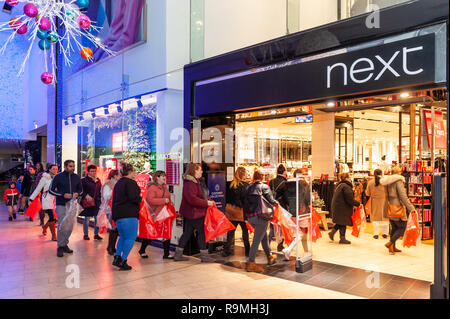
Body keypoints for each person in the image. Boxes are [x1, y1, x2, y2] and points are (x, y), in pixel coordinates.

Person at [173, 163, 215, 262]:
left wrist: (208, 201)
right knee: (201, 233)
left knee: (187, 233)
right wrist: (206, 203)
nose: (202, 171)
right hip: (194, 213)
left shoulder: (198, 182)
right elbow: (192, 199)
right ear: (194, 171)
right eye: (200, 170)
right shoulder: (190, 183)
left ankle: (178, 254)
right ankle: (204, 256)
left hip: (194, 212)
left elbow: (202, 195)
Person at [244, 170, 279, 273]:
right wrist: (278, 204)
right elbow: (272, 201)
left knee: (263, 236)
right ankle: (251, 263)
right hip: (261, 217)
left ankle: (269, 257)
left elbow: (244, 202)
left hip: (250, 217)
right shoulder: (264, 187)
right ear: (262, 177)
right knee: (256, 240)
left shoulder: (248, 187)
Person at [49, 160, 83, 258]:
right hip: (61, 204)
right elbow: (51, 190)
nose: (73, 168)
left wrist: (77, 193)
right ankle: (60, 246)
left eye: (73, 166)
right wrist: (62, 195)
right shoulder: (58, 177)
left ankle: (65, 244)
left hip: (72, 204)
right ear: (65, 167)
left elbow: (81, 190)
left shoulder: (77, 177)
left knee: (70, 225)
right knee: (62, 224)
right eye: (70, 166)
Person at [111, 162, 141, 270]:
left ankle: (117, 257)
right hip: (129, 215)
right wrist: (140, 198)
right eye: (134, 171)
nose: (135, 174)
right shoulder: (130, 183)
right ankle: (123, 260)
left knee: (123, 236)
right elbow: (134, 198)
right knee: (130, 238)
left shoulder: (119, 183)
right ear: (131, 171)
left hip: (118, 215)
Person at [138, 170, 174, 259]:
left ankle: (166, 253)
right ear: (157, 178)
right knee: (151, 233)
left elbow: (168, 197)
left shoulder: (165, 187)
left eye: (165, 176)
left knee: (166, 232)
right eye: (162, 176)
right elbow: (150, 200)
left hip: (164, 214)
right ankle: (142, 250)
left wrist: (170, 202)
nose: (164, 178)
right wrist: (163, 201)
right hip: (155, 214)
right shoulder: (152, 188)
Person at [380, 166, 416, 255]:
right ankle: (390, 243)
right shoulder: (398, 181)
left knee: (394, 227)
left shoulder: (387, 181)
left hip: (389, 206)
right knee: (403, 227)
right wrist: (411, 208)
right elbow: (403, 196)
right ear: (398, 173)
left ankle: (392, 247)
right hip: (398, 207)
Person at [282, 170, 311, 260]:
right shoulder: (304, 184)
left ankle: (294, 250)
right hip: (303, 210)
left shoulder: (288, 184)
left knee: (295, 232)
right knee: (303, 232)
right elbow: (307, 198)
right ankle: (290, 250)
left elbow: (285, 197)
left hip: (292, 210)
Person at [222, 167, 250, 257]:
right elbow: (246, 200)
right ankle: (248, 251)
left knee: (231, 232)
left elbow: (227, 198)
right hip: (241, 212)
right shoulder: (245, 186)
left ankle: (226, 250)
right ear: (243, 175)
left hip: (231, 212)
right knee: (245, 232)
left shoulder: (230, 184)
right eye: (245, 173)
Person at [328, 173, 360, 244]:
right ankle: (342, 238)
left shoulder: (340, 185)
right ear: (346, 178)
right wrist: (358, 204)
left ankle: (333, 233)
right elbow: (349, 199)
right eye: (349, 177)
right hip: (342, 208)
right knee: (343, 222)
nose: (350, 179)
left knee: (341, 221)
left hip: (339, 207)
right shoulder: (346, 186)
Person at [29, 163, 58, 241]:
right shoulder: (44, 178)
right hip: (46, 198)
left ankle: (45, 227)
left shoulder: (57, 177)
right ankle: (54, 235)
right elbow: (38, 189)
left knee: (54, 218)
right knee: (51, 217)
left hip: (55, 199)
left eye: (56, 169)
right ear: (49, 169)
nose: (55, 170)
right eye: (53, 169)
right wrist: (31, 199)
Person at [268, 164, 289, 251]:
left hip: (272, 205)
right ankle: (280, 245)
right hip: (281, 207)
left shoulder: (271, 181)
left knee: (272, 225)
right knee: (282, 226)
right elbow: (286, 197)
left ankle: (267, 243)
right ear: (284, 172)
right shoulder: (285, 183)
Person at [80, 165, 103, 241]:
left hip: (96, 202)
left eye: (95, 171)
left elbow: (100, 190)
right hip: (87, 202)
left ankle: (96, 234)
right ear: (88, 172)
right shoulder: (84, 180)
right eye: (92, 171)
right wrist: (86, 195)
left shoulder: (98, 180)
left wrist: (100, 199)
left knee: (97, 219)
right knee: (87, 219)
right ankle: (85, 234)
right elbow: (80, 191)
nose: (93, 172)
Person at [365, 169, 389, 239]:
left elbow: (367, 193)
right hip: (385, 201)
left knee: (375, 217)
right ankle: (385, 233)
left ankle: (376, 233)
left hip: (374, 201)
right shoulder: (385, 182)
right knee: (385, 217)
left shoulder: (370, 182)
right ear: (381, 173)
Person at [102, 169, 121, 256]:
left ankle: (112, 246)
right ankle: (110, 247)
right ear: (114, 176)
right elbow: (106, 196)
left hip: (116, 208)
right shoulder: (108, 184)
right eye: (119, 175)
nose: (120, 176)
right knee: (113, 228)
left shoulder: (117, 184)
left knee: (115, 228)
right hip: (110, 208)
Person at [33, 162, 46, 226]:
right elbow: (36, 184)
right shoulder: (40, 174)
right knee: (42, 208)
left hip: (50, 194)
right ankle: (42, 221)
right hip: (42, 193)